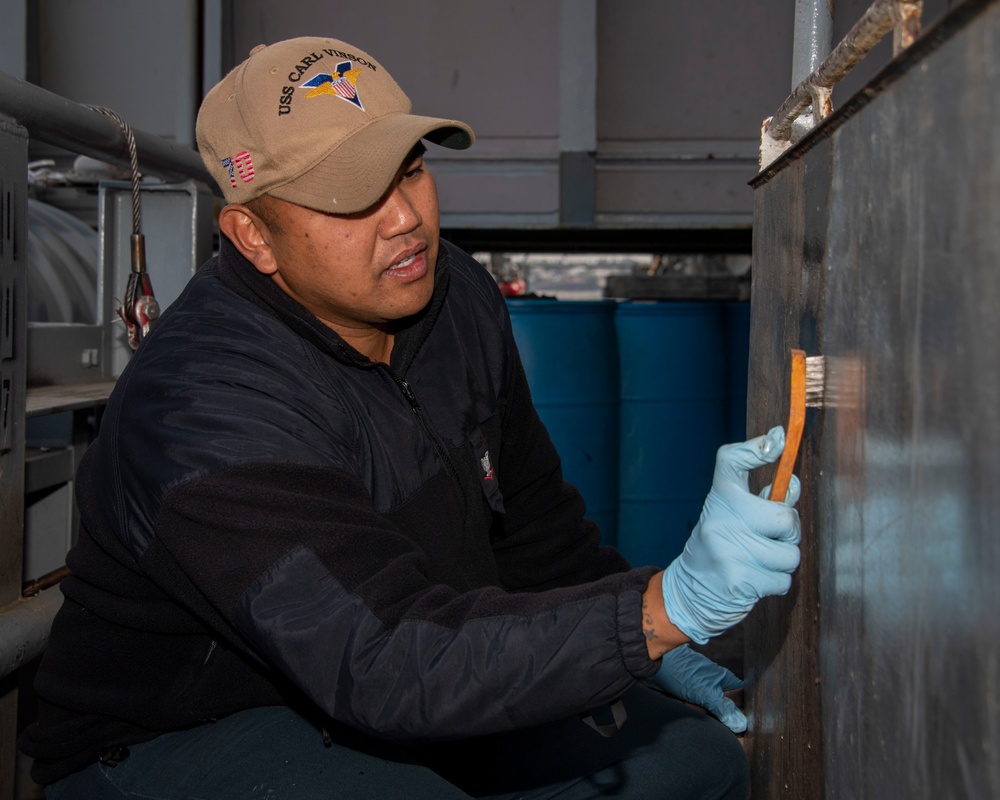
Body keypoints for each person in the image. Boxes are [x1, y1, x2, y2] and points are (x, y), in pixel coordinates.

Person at [20, 36, 801, 800]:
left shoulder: (453, 296)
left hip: (403, 663)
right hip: (183, 733)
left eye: (412, 170)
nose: (404, 218)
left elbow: (536, 535)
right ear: (254, 236)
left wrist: (642, 642)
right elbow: (378, 660)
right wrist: (660, 614)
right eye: (350, 198)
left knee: (694, 765)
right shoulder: (204, 405)